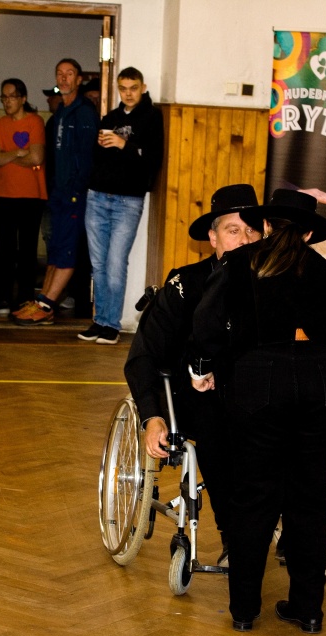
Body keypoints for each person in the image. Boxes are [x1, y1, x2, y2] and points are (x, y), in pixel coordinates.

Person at [190, 189, 326, 634]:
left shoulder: (241, 262)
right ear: (309, 234)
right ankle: (308, 609)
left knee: (254, 496)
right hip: (325, 382)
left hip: (260, 380)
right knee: (309, 499)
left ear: (264, 225)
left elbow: (206, 325)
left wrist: (203, 368)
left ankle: (245, 610)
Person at [125, 184, 265, 565]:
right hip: (195, 399)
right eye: (233, 230)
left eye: (252, 231)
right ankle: (234, 535)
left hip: (255, 396)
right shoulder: (184, 286)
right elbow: (143, 356)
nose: (245, 239)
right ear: (213, 237)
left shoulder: (274, 286)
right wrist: (152, 416)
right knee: (217, 426)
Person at [79, 67, 163, 345]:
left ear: (143, 87)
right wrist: (103, 144)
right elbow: (97, 157)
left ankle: (111, 324)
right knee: (98, 264)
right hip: (97, 196)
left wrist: (123, 144)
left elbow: (152, 159)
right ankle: (100, 320)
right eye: (123, 88)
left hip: (128, 200)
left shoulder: (152, 117)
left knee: (115, 263)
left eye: (133, 88)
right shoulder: (110, 117)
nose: (128, 93)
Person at [11, 58, 97, 326]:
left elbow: (88, 156)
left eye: (69, 74)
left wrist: (76, 189)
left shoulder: (85, 112)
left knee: (67, 251)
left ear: (78, 79)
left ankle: (47, 305)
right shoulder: (60, 111)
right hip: (57, 194)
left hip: (74, 195)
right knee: (57, 250)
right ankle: (42, 301)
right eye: (60, 73)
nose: (64, 78)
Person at [0, 78, 47, 315]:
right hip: (4, 195)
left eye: (11, 96)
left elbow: (36, 158)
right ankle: (3, 298)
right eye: (4, 97)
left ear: (23, 99)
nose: (6, 101)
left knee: (27, 251)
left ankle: (25, 300)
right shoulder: (1, 124)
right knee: (5, 250)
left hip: (31, 196)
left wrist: (7, 156)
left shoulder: (35, 121)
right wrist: (18, 153)